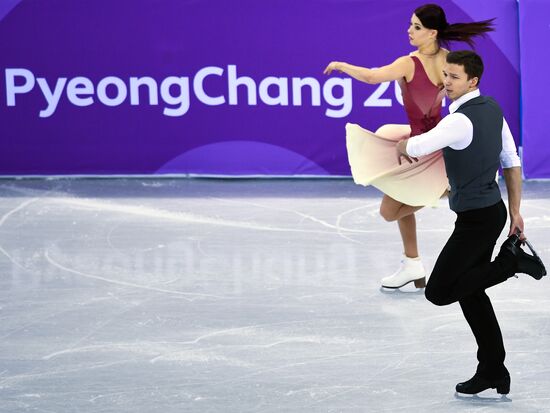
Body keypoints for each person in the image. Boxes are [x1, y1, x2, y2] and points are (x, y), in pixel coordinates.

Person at [396, 50, 546, 395]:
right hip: (489, 212)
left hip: (476, 221)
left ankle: (512, 263)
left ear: (472, 81)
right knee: (471, 293)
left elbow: (418, 146)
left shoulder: (459, 120)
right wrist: (515, 211)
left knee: (438, 291)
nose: (446, 82)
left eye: (454, 77)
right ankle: (493, 369)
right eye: (445, 75)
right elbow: (510, 159)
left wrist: (403, 142)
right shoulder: (493, 110)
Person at [324, 4, 494, 289]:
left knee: (389, 212)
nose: (409, 31)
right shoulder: (449, 61)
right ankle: (412, 263)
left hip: (430, 146)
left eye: (416, 27)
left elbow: (371, 76)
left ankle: (442, 190)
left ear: (432, 32)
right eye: (410, 25)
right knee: (401, 191)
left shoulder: (409, 63)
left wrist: (343, 66)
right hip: (424, 141)